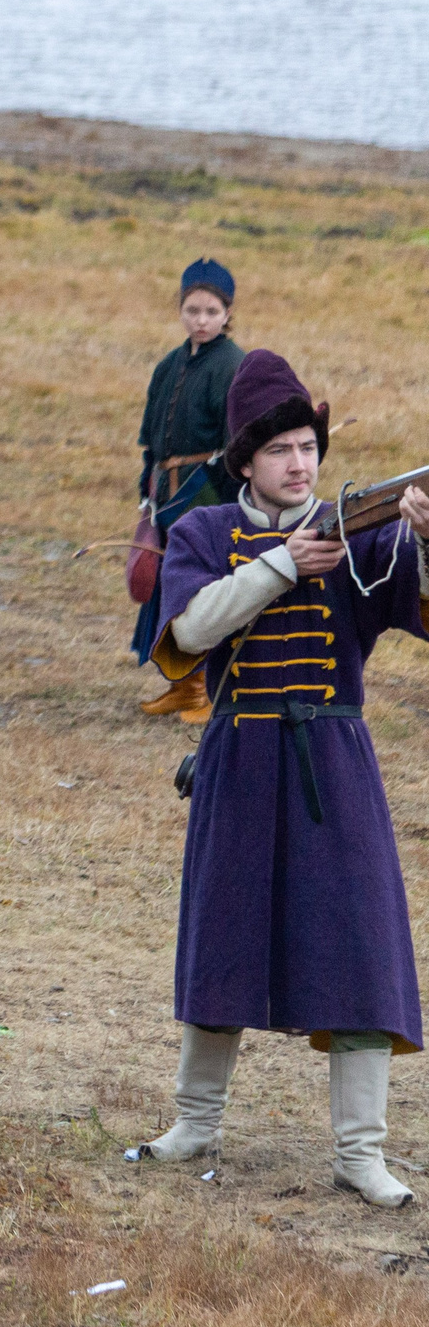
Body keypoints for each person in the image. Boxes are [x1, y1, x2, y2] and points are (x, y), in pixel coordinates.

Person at [126, 353, 429, 1209]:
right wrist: (283, 565)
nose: (301, 463)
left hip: (334, 757)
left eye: (309, 447)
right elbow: (186, 632)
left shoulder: (363, 528)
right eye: (283, 450)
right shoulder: (202, 533)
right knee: (223, 939)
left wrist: (427, 539)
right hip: (240, 753)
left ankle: (360, 1153)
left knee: (363, 949)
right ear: (247, 462)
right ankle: (194, 1125)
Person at [131, 258, 244, 719]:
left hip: (208, 498)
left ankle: (202, 688)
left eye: (211, 312)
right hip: (165, 494)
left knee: (201, 588)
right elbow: (151, 441)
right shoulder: (167, 366)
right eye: (193, 310)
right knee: (165, 586)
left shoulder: (234, 365)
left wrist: (217, 496)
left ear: (226, 314)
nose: (201, 321)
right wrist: (147, 490)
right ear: (181, 310)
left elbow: (238, 445)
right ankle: (180, 683)